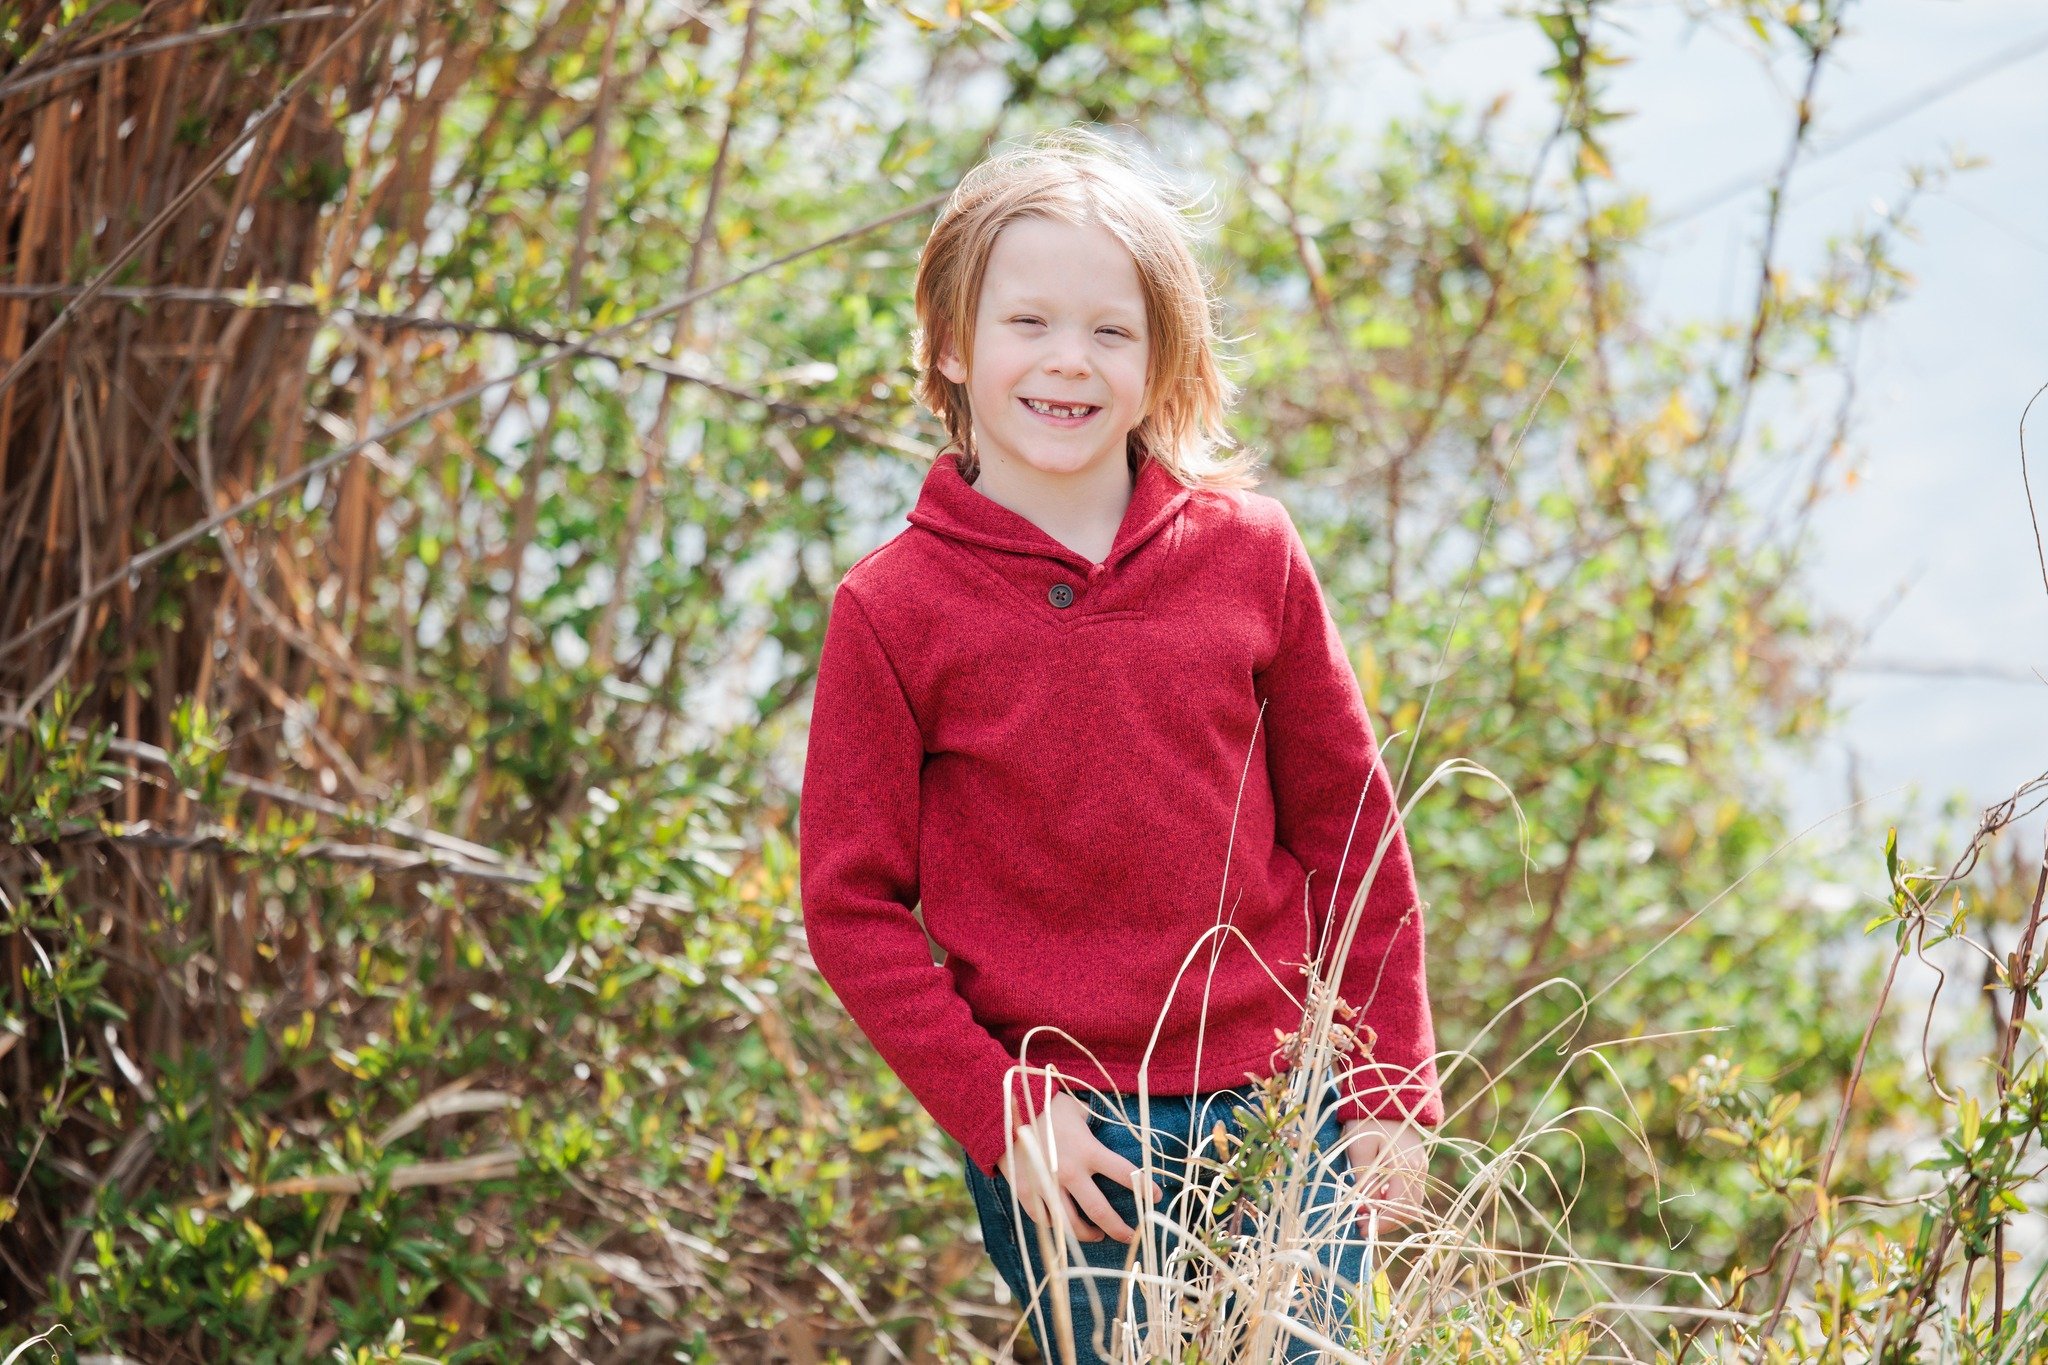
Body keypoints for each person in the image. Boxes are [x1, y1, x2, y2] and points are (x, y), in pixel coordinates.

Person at [798, 127, 1443, 1363]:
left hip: (1279, 1111)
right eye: (1026, 323)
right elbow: (851, 907)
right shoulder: (891, 610)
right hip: (1072, 1139)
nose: (1067, 363)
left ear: (1162, 361)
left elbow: (1350, 831)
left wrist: (1388, 1086)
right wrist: (1004, 1110)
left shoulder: (1249, 555)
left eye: (1111, 331)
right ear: (948, 342)